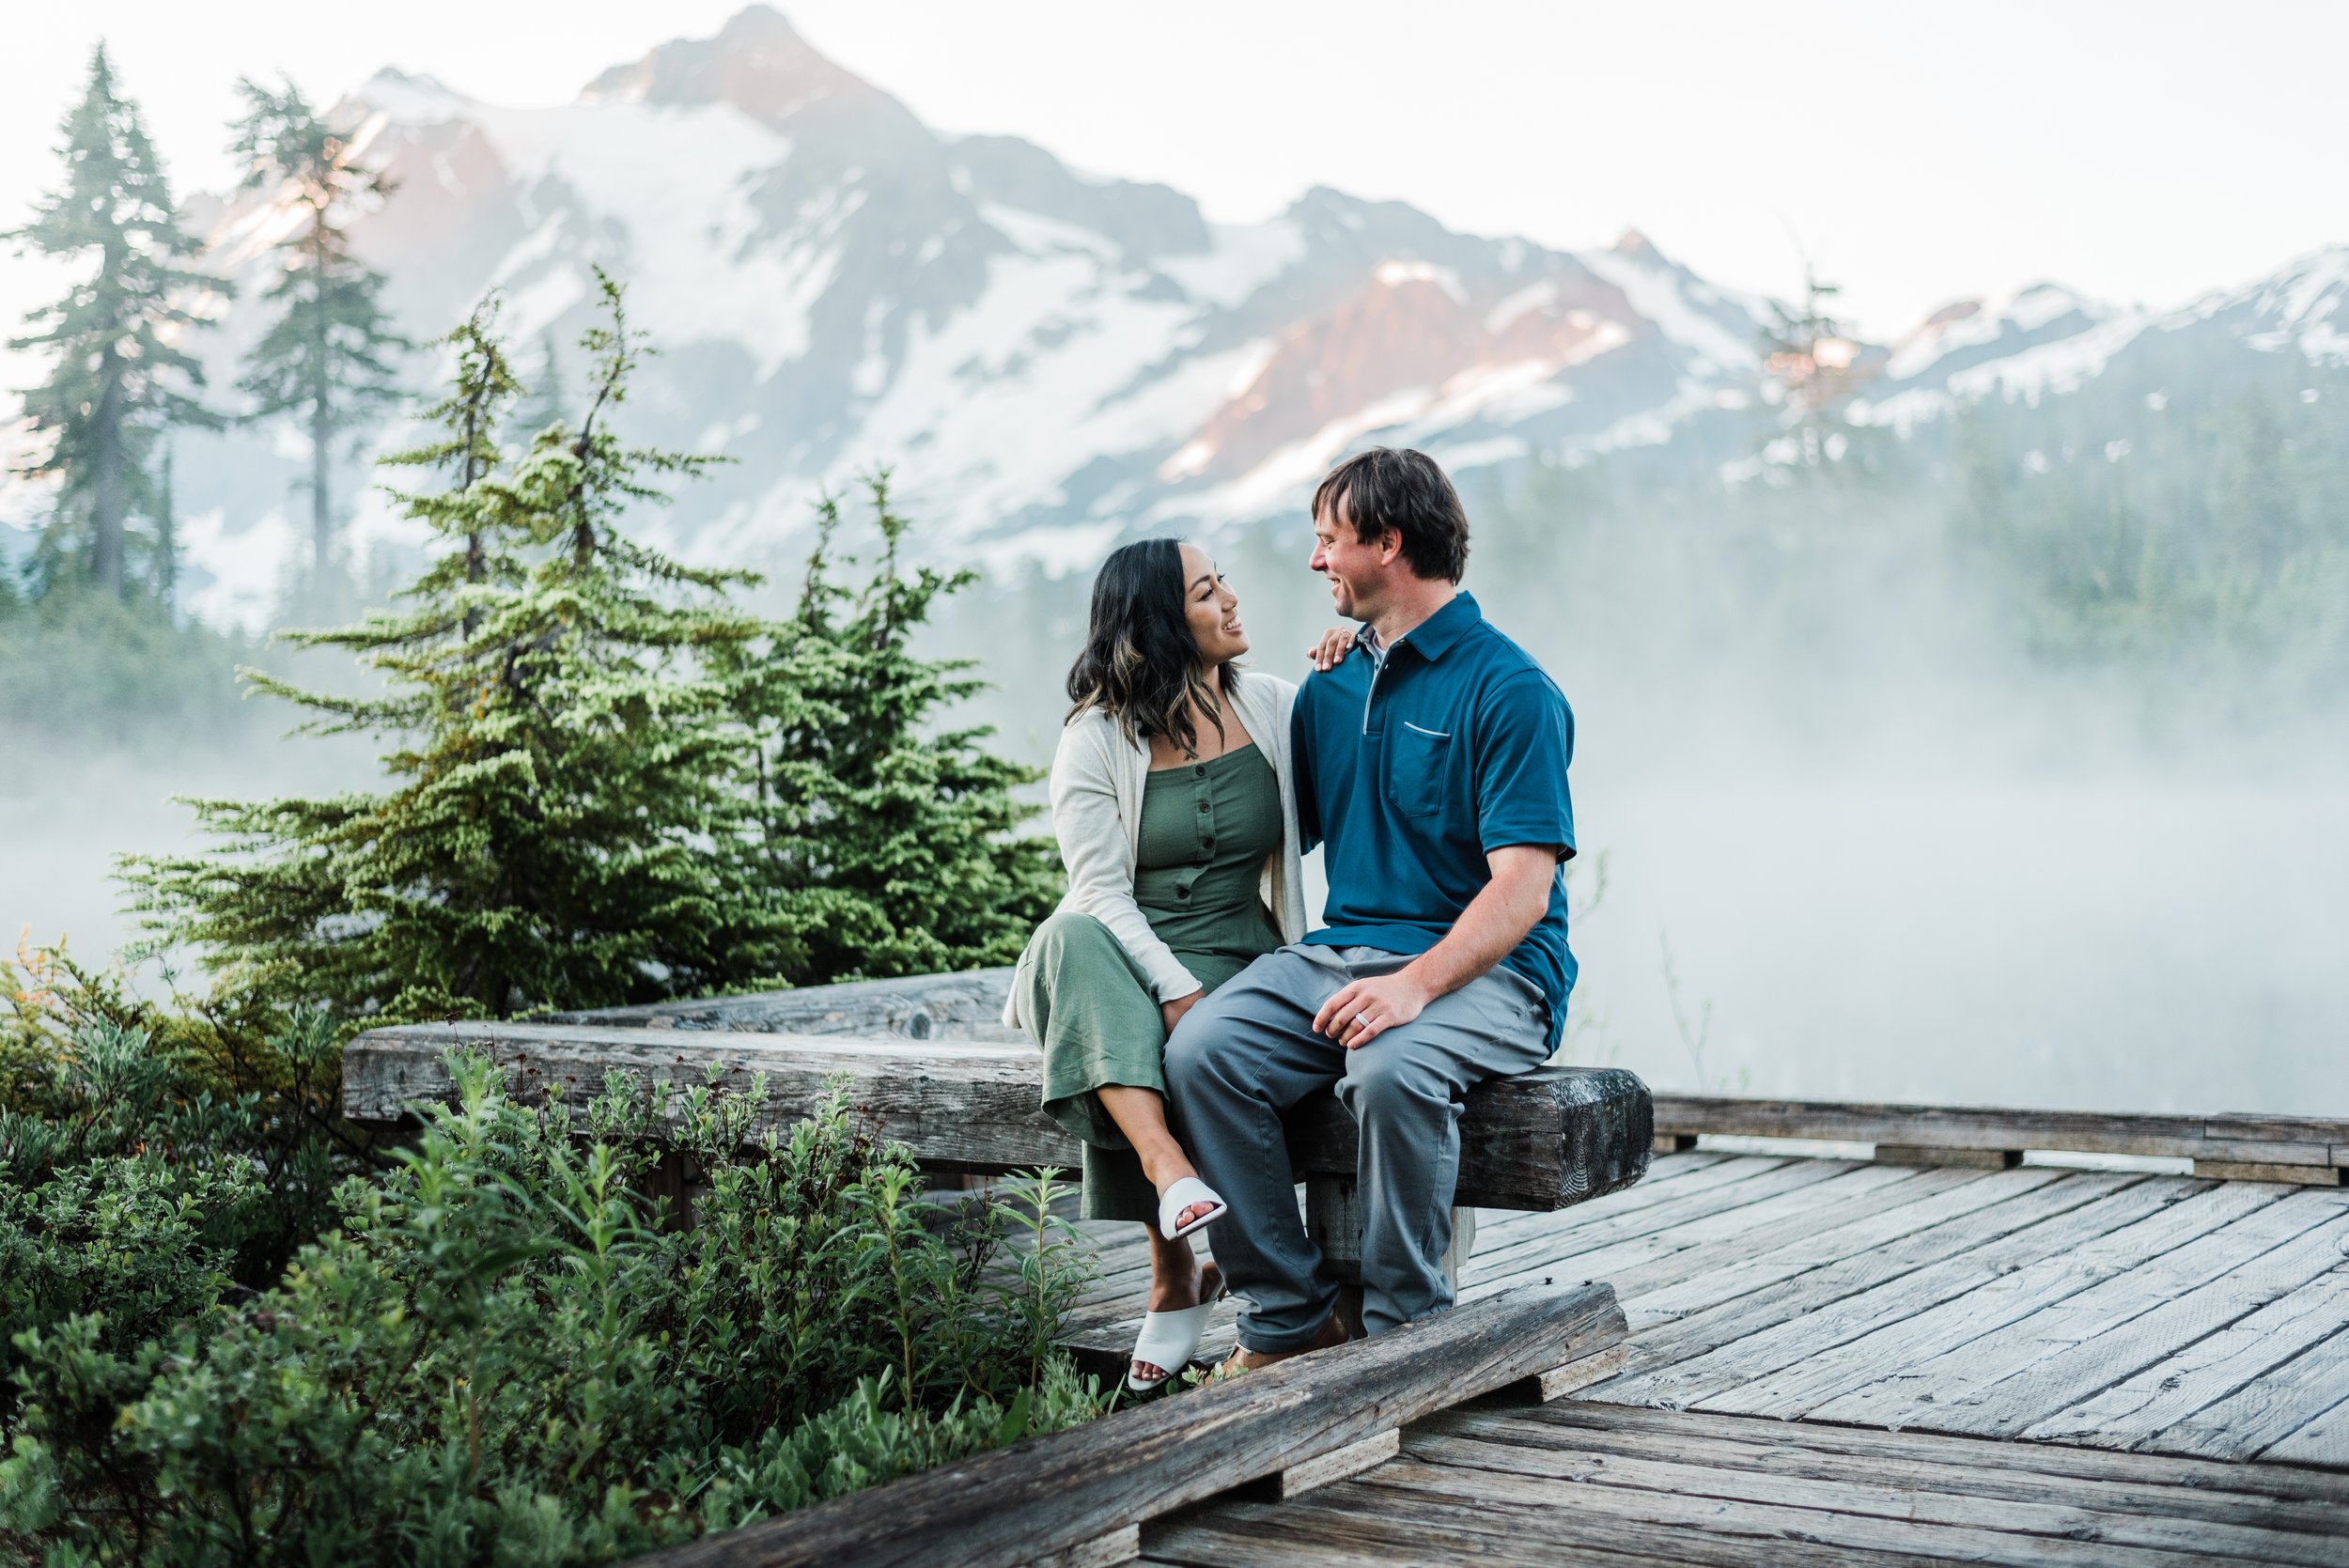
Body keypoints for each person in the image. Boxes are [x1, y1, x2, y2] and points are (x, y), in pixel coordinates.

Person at [1164, 446, 1578, 1374]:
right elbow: (1264, 825)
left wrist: (1414, 988)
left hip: (1495, 970)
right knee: (1203, 1051)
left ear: (1388, 543)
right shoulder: (1332, 682)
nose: (1315, 562)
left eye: (1328, 541)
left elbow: (1522, 888)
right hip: (1341, 951)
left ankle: (1405, 1337)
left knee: (1390, 1067)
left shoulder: (1509, 690)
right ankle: (1288, 1320)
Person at [1003, 537, 1352, 1391]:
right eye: (1207, 590)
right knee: (1068, 937)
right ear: (1162, 623)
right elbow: (1101, 892)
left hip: (1250, 953)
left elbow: (1341, 784)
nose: (1232, 598)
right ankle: (1170, 1182)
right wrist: (1176, 990)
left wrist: (1350, 666)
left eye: (1222, 579)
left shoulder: (1272, 704)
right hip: (1128, 957)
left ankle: (1180, 1275)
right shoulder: (1094, 739)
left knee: (1198, 1050)